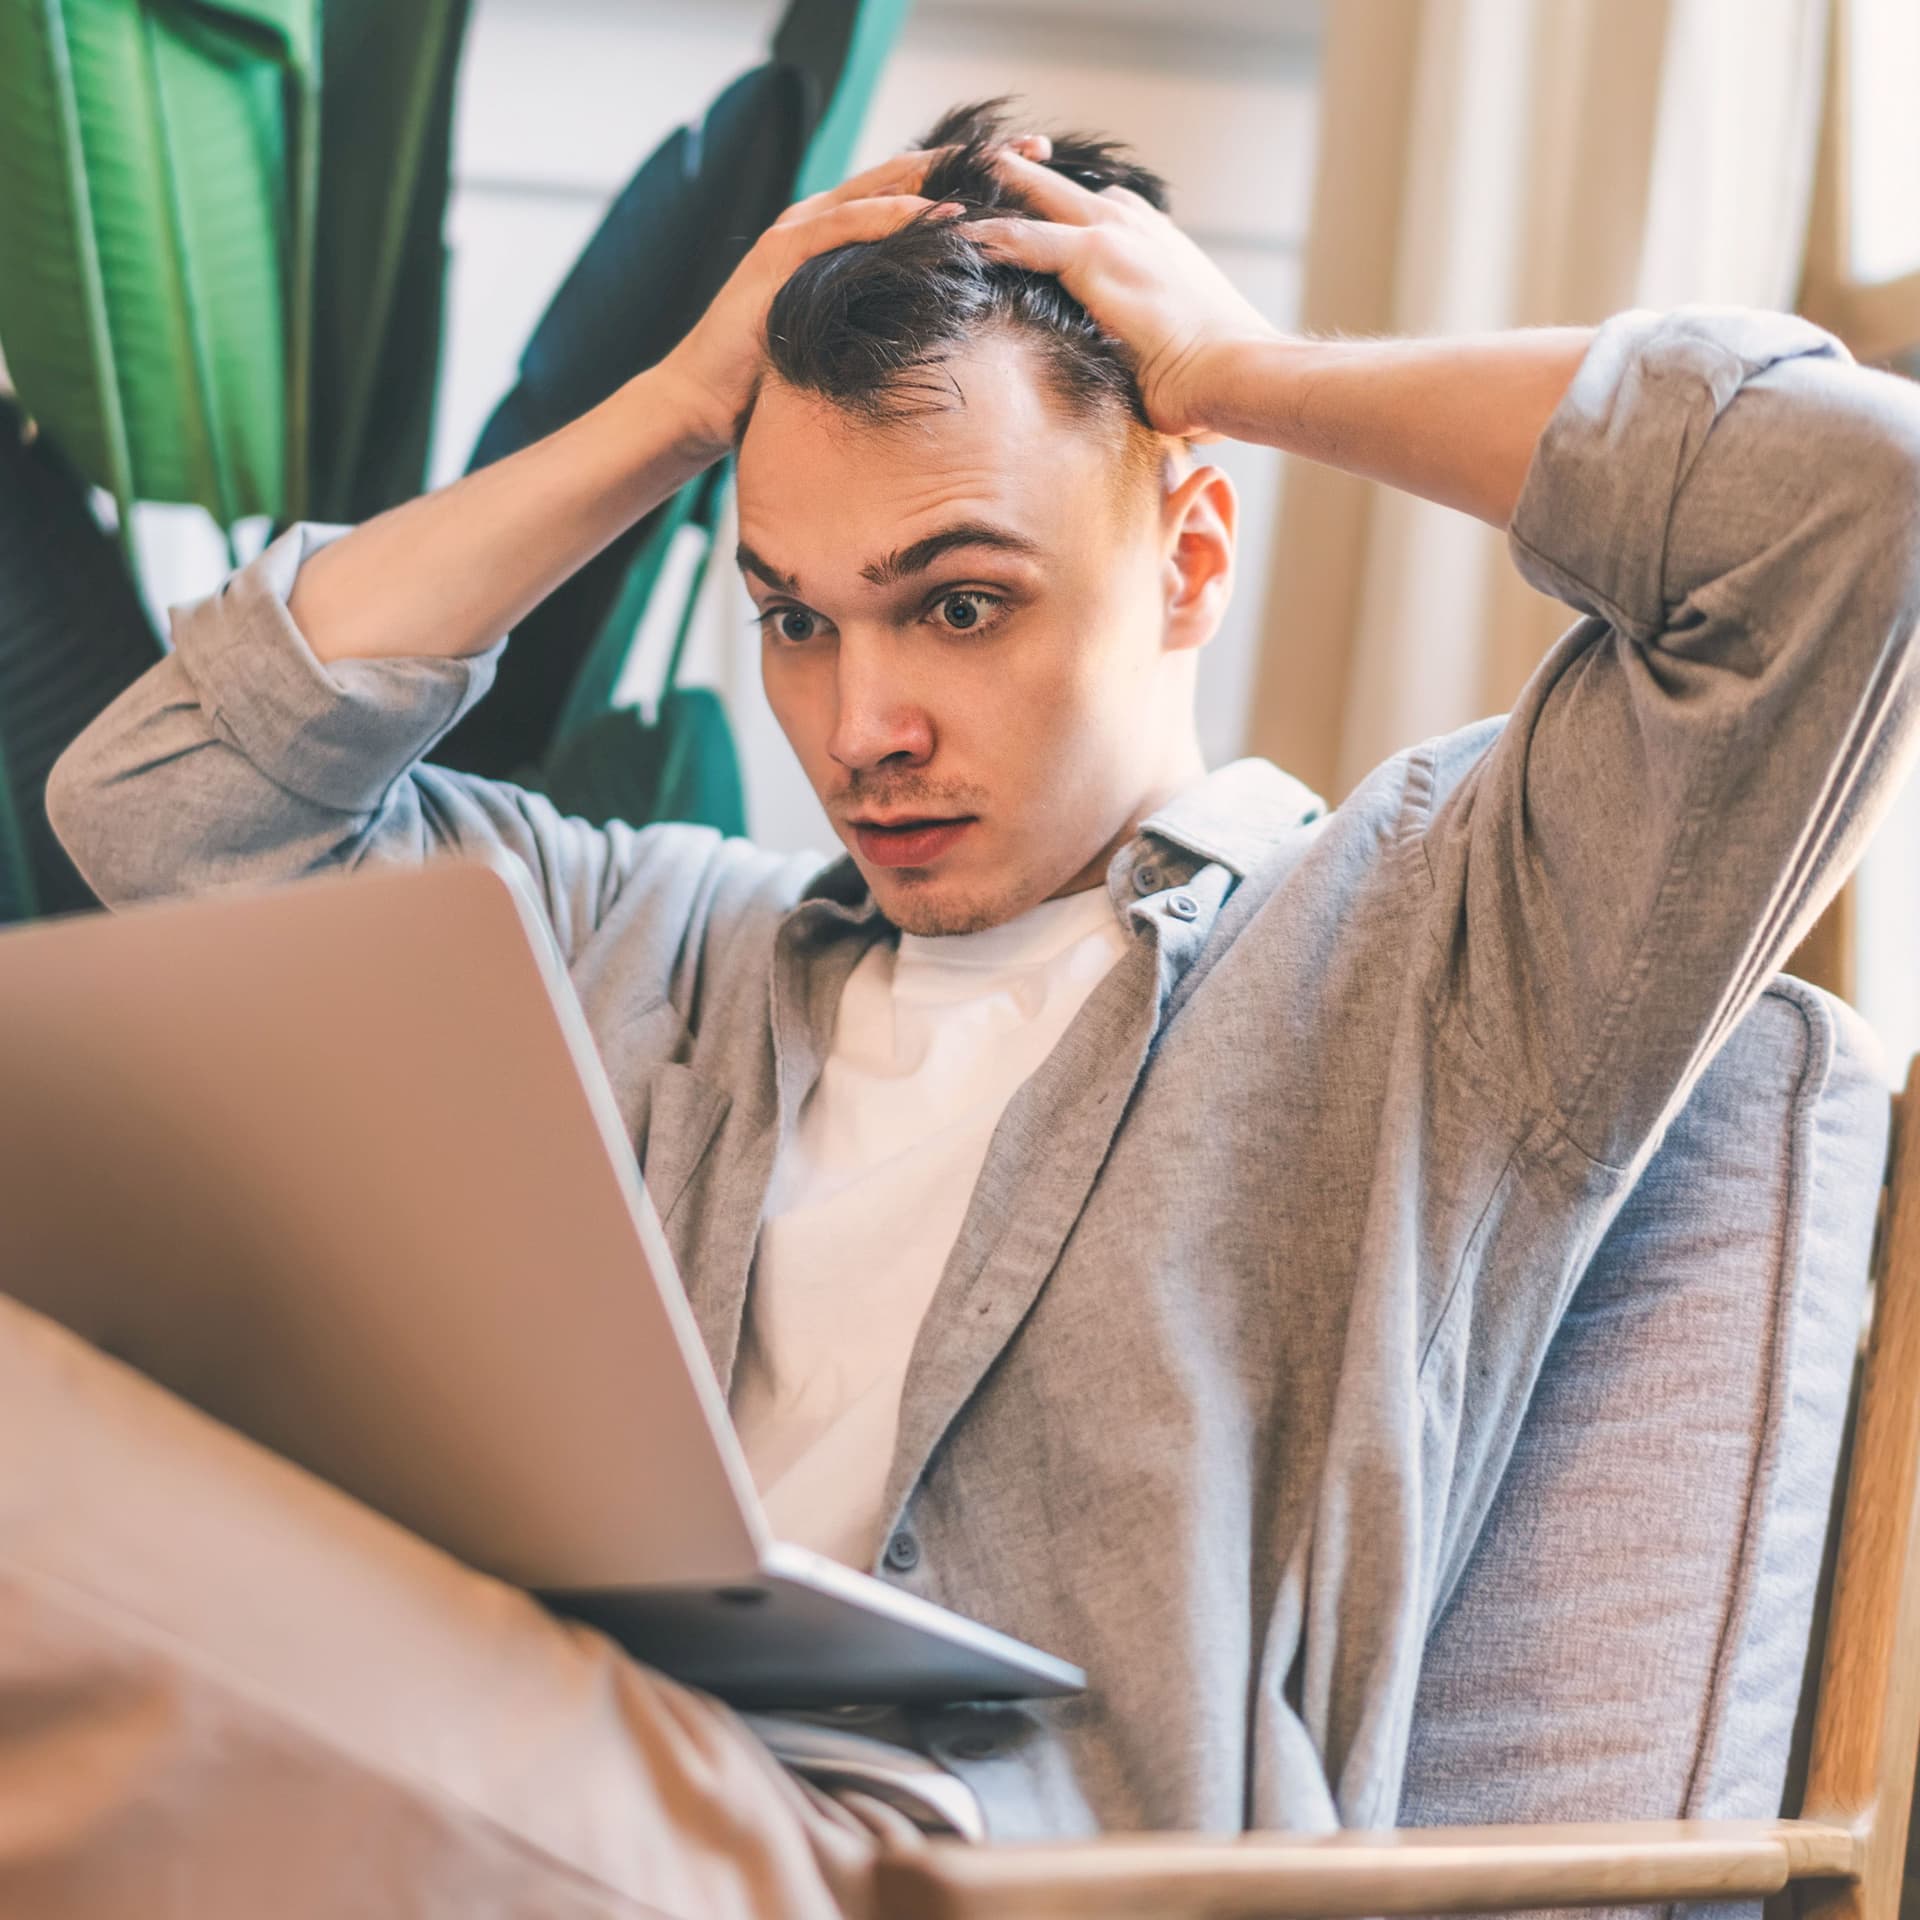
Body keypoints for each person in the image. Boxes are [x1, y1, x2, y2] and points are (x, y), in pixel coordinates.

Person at [20, 96, 1920, 1916]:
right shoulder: (665, 951)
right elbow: (163, 802)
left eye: (957, 605)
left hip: (956, 1868)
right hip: (558, 1767)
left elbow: (1857, 511)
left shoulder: (1430, 941)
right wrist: (680, 410)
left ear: (1186, 556)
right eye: (796, 619)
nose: (863, 729)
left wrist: (1250, 377)